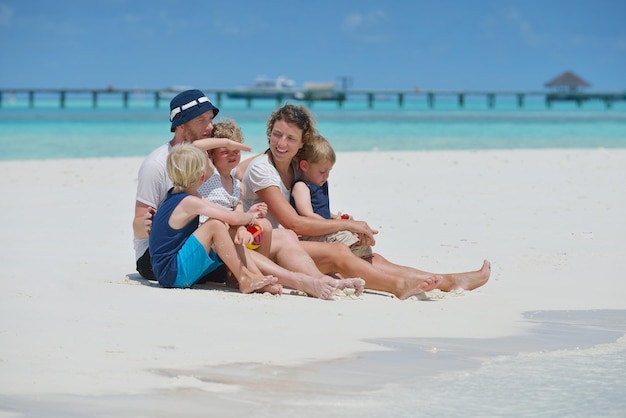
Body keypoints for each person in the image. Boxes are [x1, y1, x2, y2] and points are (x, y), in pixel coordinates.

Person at [241, 103, 491, 300]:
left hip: (293, 243)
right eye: (277, 135)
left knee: (373, 259)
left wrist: (339, 220)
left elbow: (305, 213)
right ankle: (398, 287)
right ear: (269, 133)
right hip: (265, 247)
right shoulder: (263, 169)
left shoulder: (296, 166)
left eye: (290, 138)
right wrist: (349, 226)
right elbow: (293, 223)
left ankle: (447, 281)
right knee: (340, 253)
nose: (281, 144)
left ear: (302, 143)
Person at [134, 89, 365, 299]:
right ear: (181, 125)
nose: (210, 126)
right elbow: (138, 227)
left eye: (211, 119)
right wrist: (146, 224)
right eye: (202, 120)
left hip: (192, 246)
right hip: (156, 261)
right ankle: (279, 279)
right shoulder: (160, 164)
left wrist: (276, 153)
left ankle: (313, 279)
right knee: (229, 232)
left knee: (276, 236)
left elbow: (235, 172)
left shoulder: (205, 161)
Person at [194, 119, 366, 299]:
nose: (232, 155)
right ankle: (303, 281)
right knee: (250, 234)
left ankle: (318, 278)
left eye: (236, 151)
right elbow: (195, 147)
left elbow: (237, 214)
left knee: (264, 227)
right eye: (225, 151)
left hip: (231, 235)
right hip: (211, 238)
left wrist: (248, 217)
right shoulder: (208, 172)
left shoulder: (237, 184)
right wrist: (227, 142)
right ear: (211, 154)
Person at [149, 143, 279, 293]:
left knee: (225, 226)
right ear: (202, 176)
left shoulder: (181, 196)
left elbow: (228, 215)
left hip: (173, 270)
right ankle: (244, 278)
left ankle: (255, 276)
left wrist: (245, 216)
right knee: (215, 225)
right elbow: (233, 218)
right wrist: (250, 219)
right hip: (172, 273)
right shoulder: (189, 202)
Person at [290, 133, 372, 259]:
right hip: (311, 234)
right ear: (304, 166)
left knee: (357, 238)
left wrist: (335, 218)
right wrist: (332, 224)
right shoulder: (301, 187)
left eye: (329, 171)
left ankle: (358, 262)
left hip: (323, 230)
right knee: (347, 239)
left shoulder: (321, 184)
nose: (326, 176)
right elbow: (307, 215)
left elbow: (322, 210)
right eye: (322, 171)